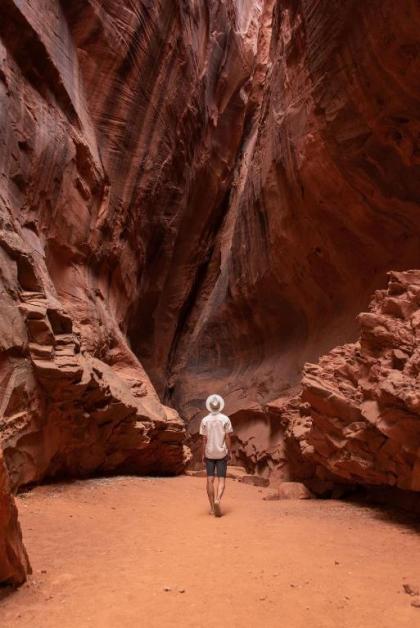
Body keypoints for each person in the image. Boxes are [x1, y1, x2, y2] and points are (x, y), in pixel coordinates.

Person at [199, 394, 233, 517]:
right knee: (221, 479)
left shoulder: (204, 420)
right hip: (221, 453)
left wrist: (203, 454)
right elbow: (228, 437)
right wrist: (230, 451)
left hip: (209, 453)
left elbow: (204, 439)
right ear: (219, 406)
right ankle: (218, 499)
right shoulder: (225, 419)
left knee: (210, 480)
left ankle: (213, 508)